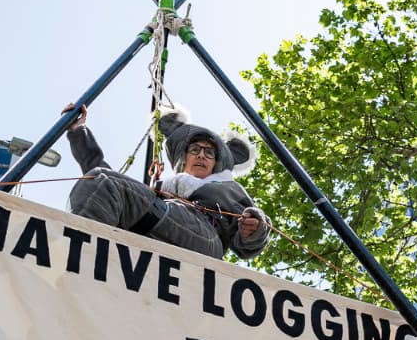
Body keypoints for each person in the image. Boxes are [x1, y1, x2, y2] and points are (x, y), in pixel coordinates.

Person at [63, 104, 271, 260]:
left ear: (217, 163)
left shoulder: (227, 189)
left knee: (105, 181)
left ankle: (81, 257)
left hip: (206, 236)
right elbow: (104, 181)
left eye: (209, 153)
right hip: (166, 222)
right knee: (98, 181)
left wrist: (254, 228)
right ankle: (86, 261)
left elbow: (248, 242)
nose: (202, 156)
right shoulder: (165, 189)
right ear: (183, 157)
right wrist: (78, 132)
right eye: (195, 150)